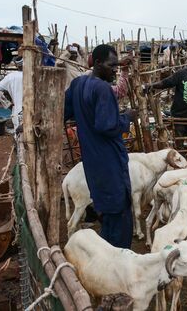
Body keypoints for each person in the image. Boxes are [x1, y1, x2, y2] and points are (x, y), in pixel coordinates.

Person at [64, 44, 137, 249]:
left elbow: (64, 111)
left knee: (105, 209)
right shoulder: (103, 89)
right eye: (111, 65)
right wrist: (127, 118)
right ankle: (117, 260)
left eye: (117, 65)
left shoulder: (78, 84)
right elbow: (107, 125)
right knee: (120, 211)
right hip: (109, 160)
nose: (115, 69)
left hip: (92, 160)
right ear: (97, 63)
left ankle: (104, 254)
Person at [0, 58, 23, 130]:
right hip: (33, 110)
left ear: (16, 65)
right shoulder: (33, 74)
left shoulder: (10, 77)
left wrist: (8, 104)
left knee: (18, 134)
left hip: (17, 110)